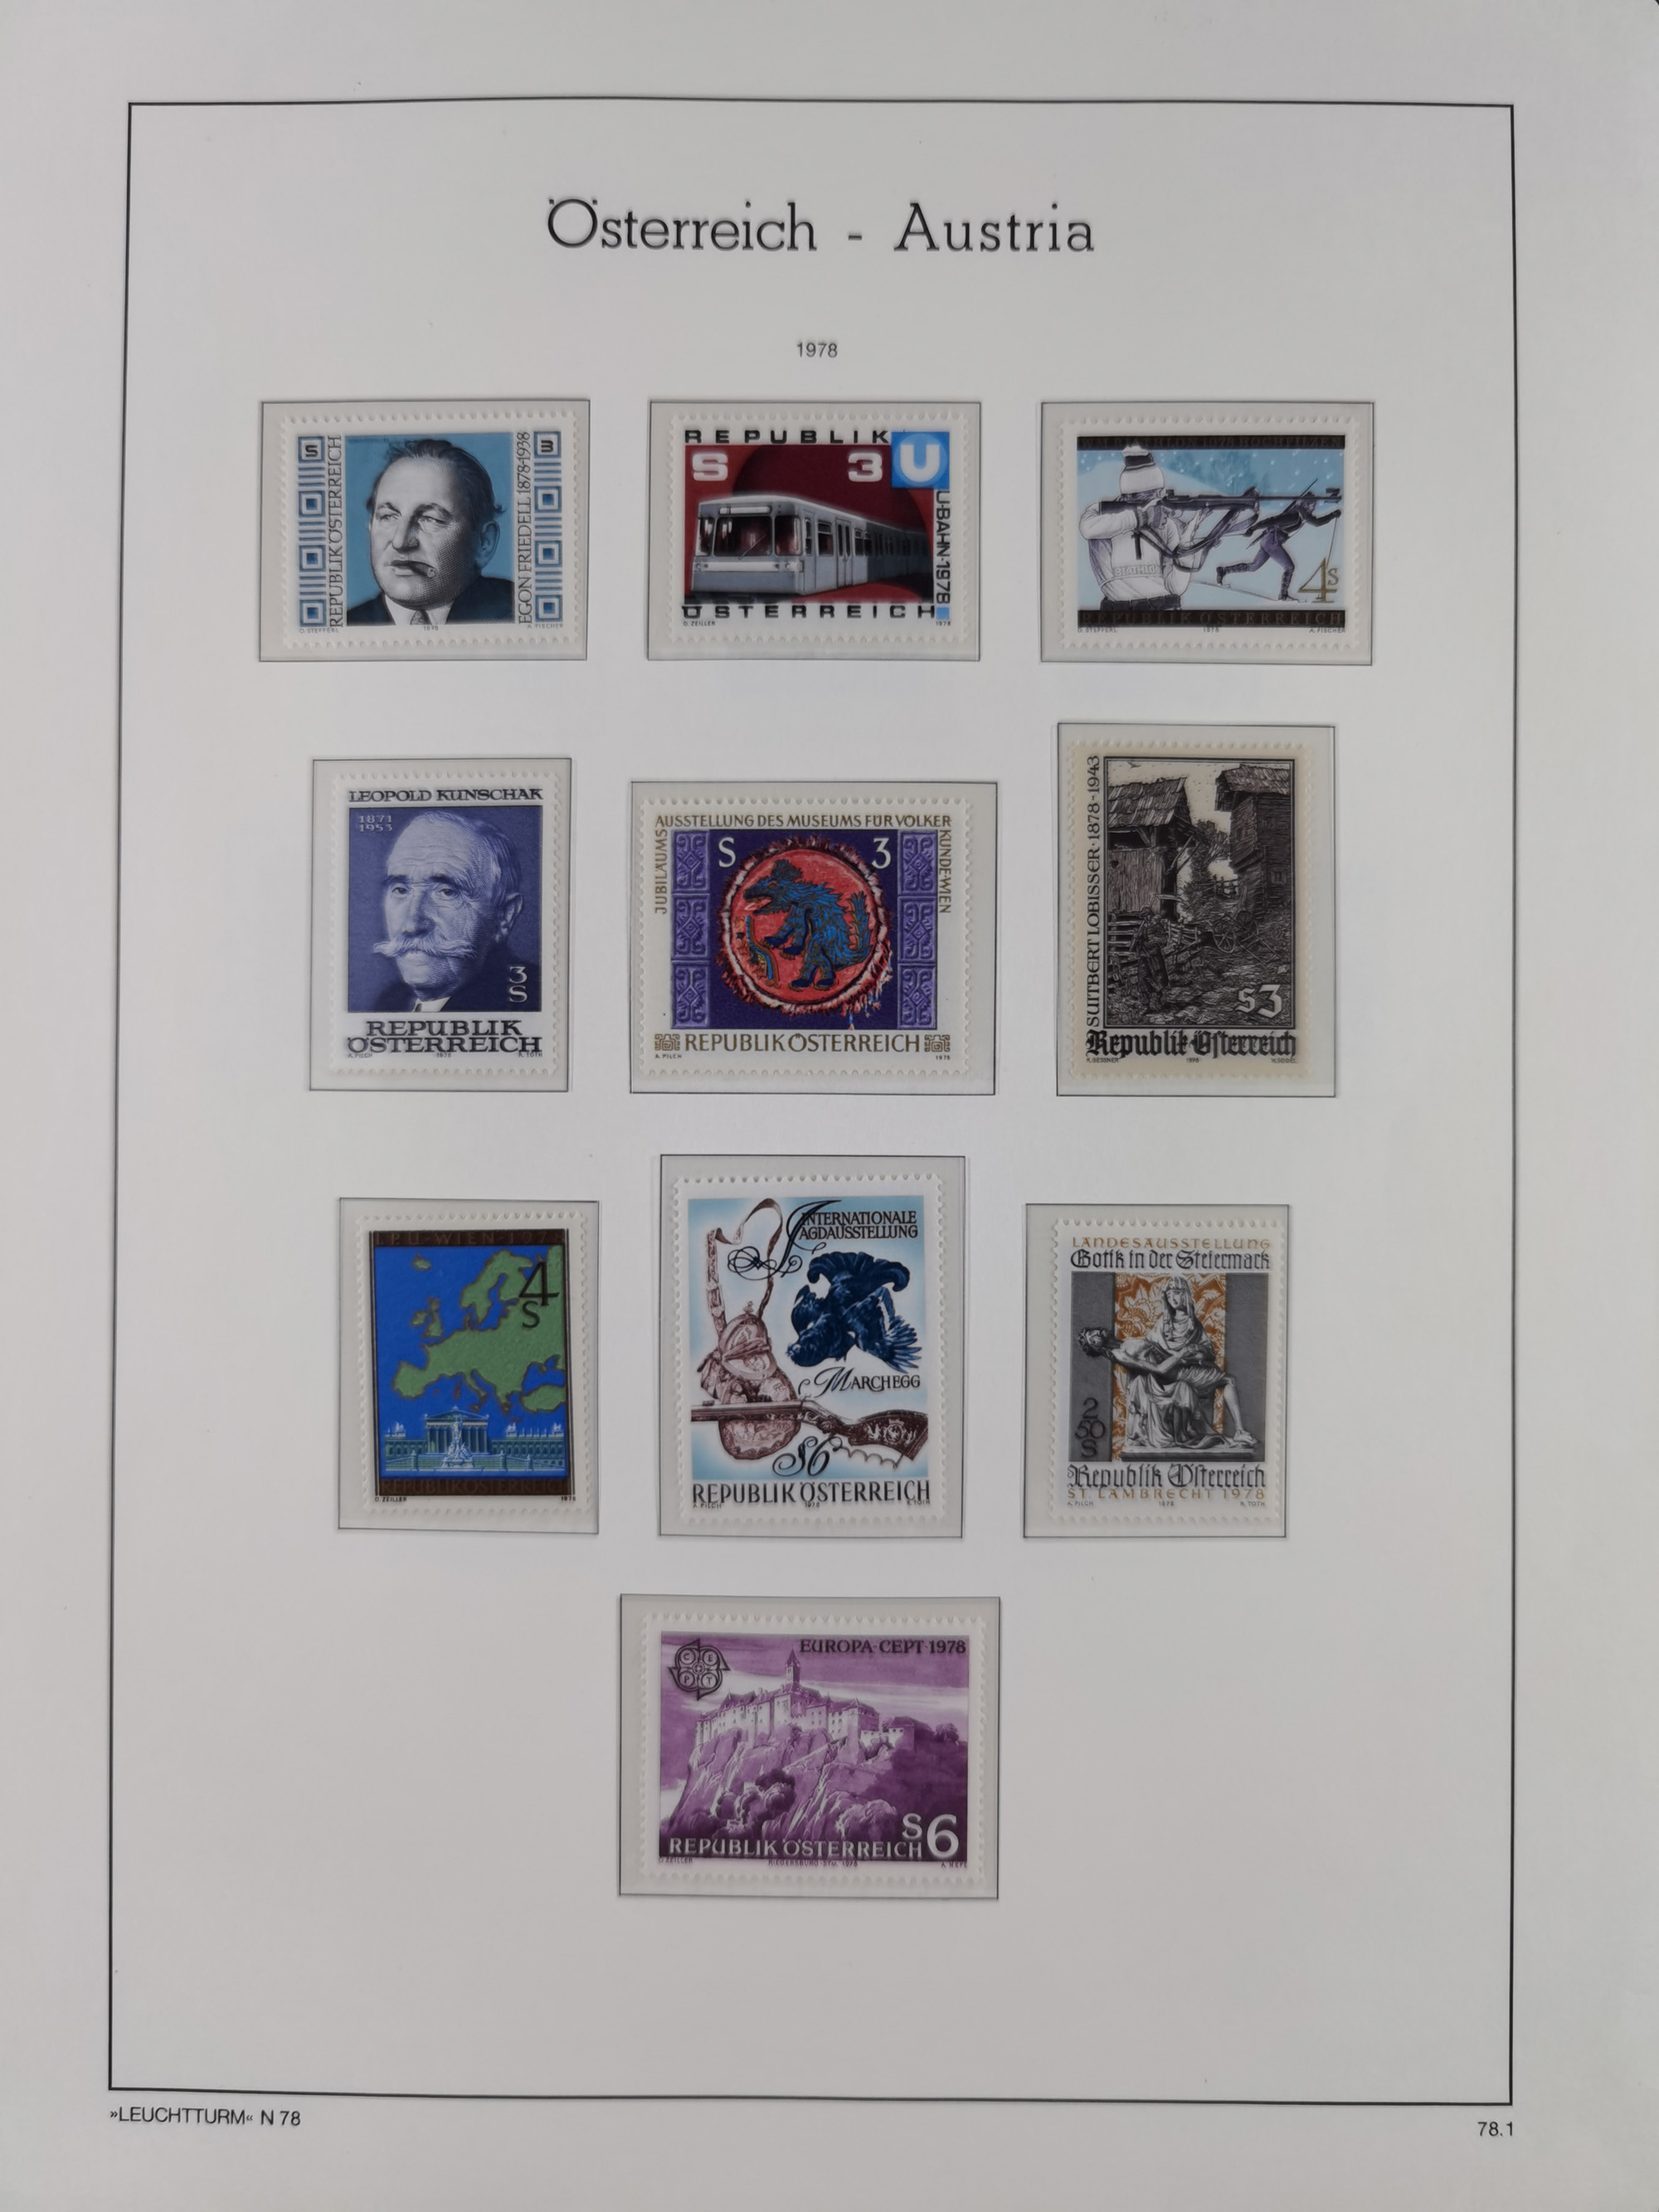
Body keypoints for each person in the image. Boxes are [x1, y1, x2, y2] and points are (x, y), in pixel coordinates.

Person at [372, 810, 539, 1012]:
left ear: (505, 915)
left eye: (446, 892)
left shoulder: (533, 1000)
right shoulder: (391, 1002)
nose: (412, 925)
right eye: (401, 890)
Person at [1078, 1276, 1257, 1452]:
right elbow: (1160, 1368)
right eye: (1093, 1339)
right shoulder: (1120, 1354)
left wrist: (1192, 1354)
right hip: (1173, 1374)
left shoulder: (1126, 1343)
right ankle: (1240, 1431)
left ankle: (1240, 1431)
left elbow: (1168, 1350)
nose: (1097, 1334)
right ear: (1096, 1348)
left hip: (1179, 1365)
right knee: (1228, 1380)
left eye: (1094, 1332)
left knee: (1222, 1375)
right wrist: (1183, 1353)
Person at [347, 438, 513, 625]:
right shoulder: (349, 624)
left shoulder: (518, 612)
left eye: (430, 519)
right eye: (388, 516)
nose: (400, 542)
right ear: (370, 527)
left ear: (484, 543)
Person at [1079, 445, 1252, 612]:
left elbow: (1176, 587)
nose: (1156, 500)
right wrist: (1142, 518)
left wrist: (1187, 541)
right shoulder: (1101, 516)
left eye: (1157, 494)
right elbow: (1087, 528)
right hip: (1120, 615)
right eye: (1150, 495)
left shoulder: (1167, 526)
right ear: (1129, 496)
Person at [1214, 486, 1342, 600]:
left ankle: (1223, 570)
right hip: (1272, 542)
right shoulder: (1294, 516)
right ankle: (1283, 596)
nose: (1313, 509)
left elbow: (1315, 521)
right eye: (1312, 506)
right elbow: (1273, 520)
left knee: (1253, 567)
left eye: (1313, 507)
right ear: (1306, 506)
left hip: (1269, 541)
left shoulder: (1301, 515)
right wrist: (1253, 528)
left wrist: (1332, 514)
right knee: (1289, 567)